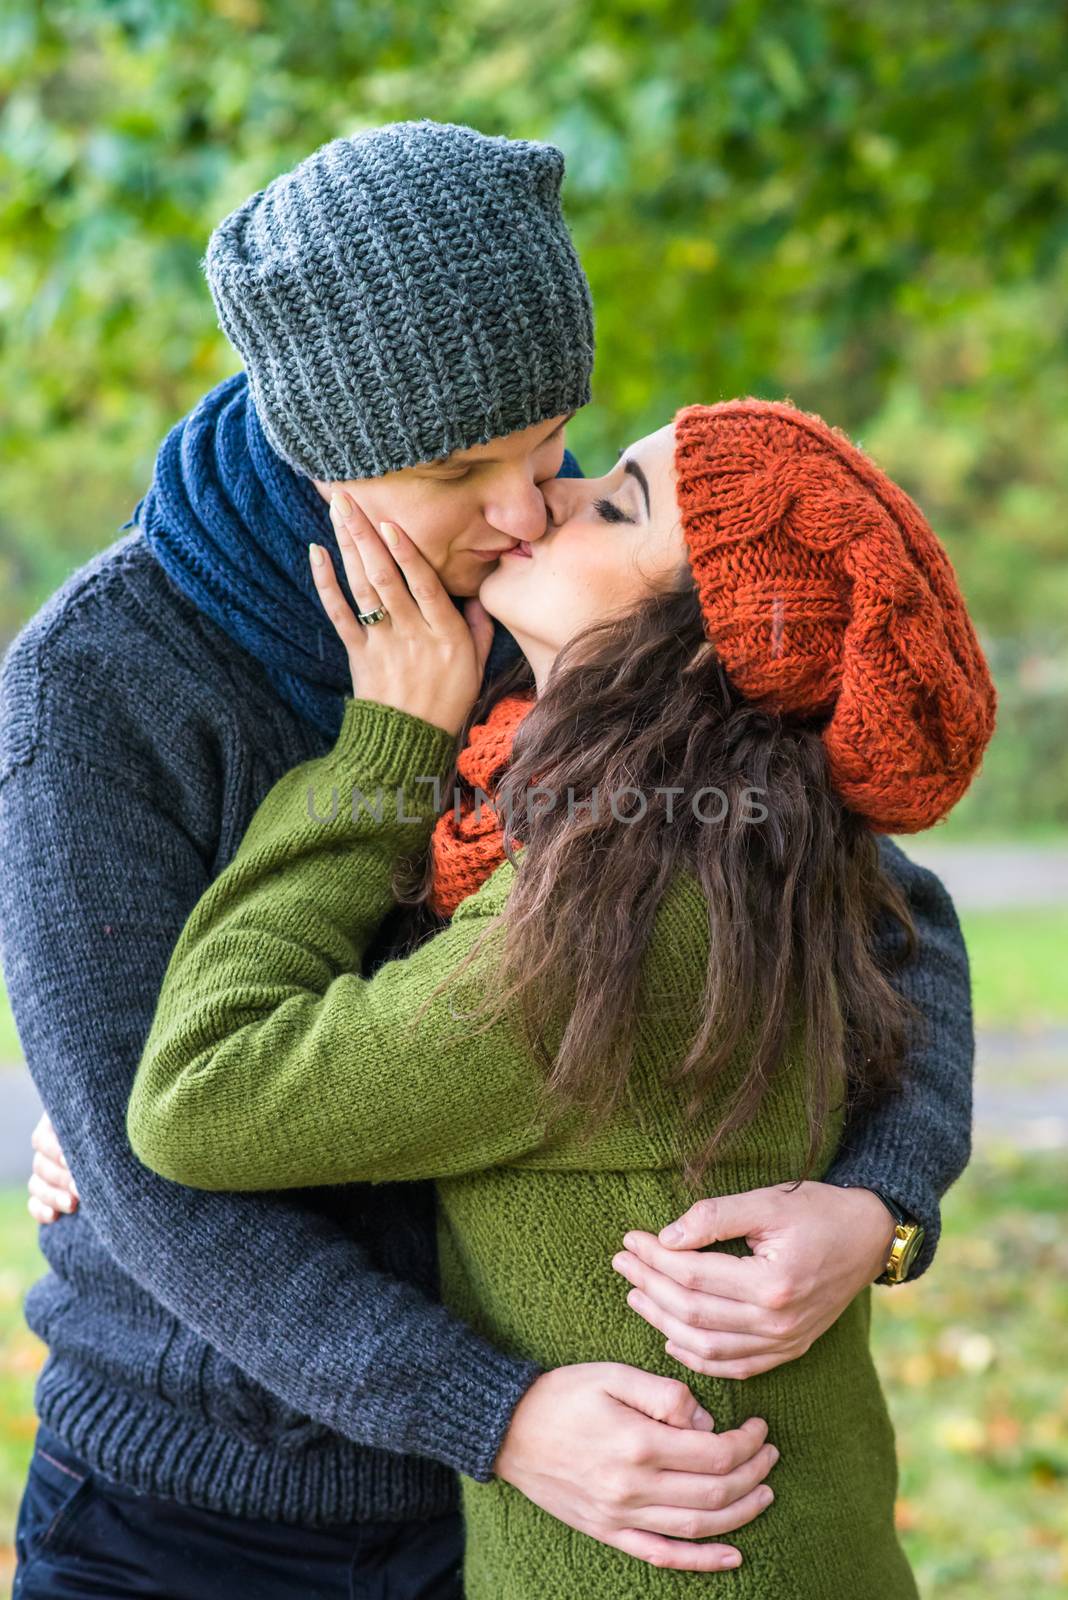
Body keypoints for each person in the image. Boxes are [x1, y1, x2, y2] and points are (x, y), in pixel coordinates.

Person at [1, 119, 972, 1599]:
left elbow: (891, 917)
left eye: (550, 441)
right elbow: (161, 1165)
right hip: (199, 1515)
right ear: (323, 444)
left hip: (558, 1521)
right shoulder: (101, 682)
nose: (524, 508)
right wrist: (493, 1417)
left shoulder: (580, 609)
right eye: (465, 468)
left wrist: (881, 1206)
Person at [125, 397, 996, 1597]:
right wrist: (884, 1204)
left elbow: (199, 1093)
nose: (548, 500)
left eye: (614, 503)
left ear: (698, 650)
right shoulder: (755, 844)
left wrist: (383, 752)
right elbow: (919, 916)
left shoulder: (612, 923)